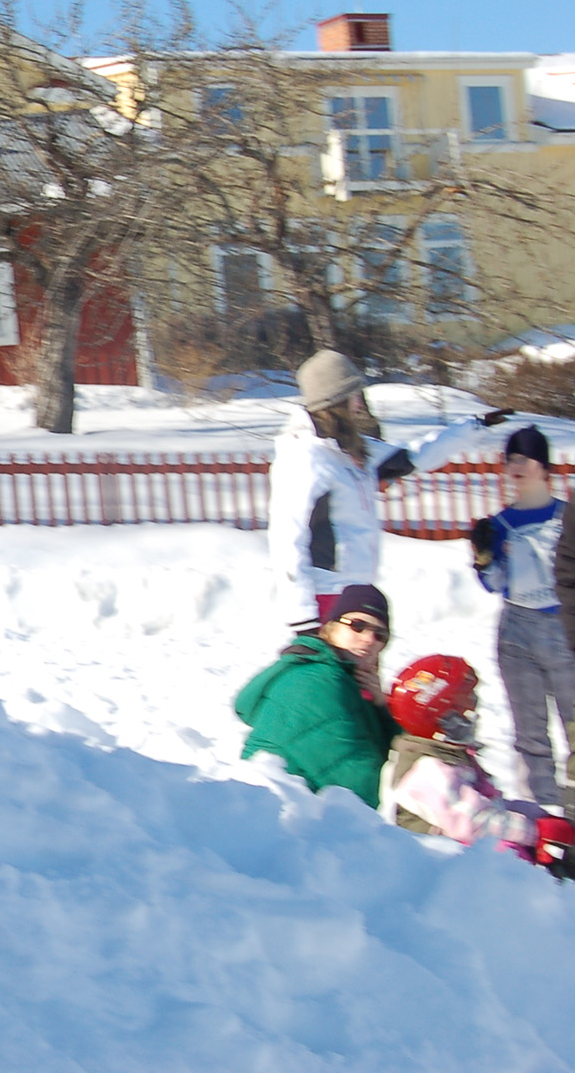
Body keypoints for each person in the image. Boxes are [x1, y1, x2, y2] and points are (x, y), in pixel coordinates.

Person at [268, 349, 499, 637]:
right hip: (325, 596)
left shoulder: (351, 449)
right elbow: (287, 538)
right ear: (334, 401)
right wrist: (302, 618)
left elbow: (413, 457)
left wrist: (473, 426)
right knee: (341, 681)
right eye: (354, 395)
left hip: (356, 591)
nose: (359, 405)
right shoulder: (305, 457)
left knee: (364, 680)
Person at [380, 654, 575, 875]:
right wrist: (535, 831)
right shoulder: (426, 772)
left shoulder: (448, 757)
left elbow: (488, 806)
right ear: (444, 716)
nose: (474, 711)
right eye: (467, 703)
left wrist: (537, 816)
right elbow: (475, 822)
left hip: (474, 861)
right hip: (446, 875)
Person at [469, 425, 574, 810]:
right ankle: (544, 815)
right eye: (509, 458)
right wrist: (482, 557)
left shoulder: (566, 517)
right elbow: (495, 583)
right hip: (517, 633)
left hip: (564, 626)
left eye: (523, 458)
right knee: (530, 734)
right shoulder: (500, 524)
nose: (514, 465)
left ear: (543, 466)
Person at [236, 584, 399, 806]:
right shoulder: (316, 681)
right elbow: (361, 782)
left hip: (298, 816)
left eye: (380, 634)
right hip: (273, 816)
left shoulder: (345, 680)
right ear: (331, 627)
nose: (369, 639)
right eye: (358, 626)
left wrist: (381, 706)